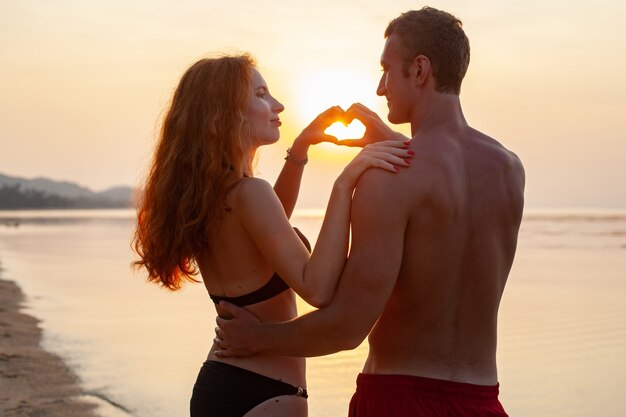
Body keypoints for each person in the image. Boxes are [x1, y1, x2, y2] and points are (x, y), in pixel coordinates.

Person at [214, 7, 525, 417]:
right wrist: (401, 142)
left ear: (419, 70)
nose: (380, 88)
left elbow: (346, 328)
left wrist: (256, 339)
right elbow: (445, 190)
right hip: (484, 400)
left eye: (386, 70)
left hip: (398, 400)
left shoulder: (388, 176)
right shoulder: (508, 169)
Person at [131, 54, 412, 417]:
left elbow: (269, 226)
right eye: (262, 94)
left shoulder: (215, 195)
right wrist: (346, 182)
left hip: (223, 382)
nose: (278, 105)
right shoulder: (248, 193)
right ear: (226, 113)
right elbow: (318, 287)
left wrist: (300, 148)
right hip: (266, 394)